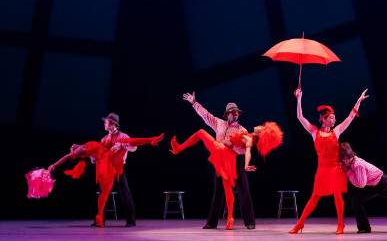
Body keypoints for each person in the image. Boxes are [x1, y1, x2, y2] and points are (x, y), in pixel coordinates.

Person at [170, 121, 283, 230]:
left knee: (201, 133)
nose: (260, 125)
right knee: (226, 187)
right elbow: (238, 146)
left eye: (262, 127)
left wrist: (245, 165)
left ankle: (179, 148)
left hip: (222, 151)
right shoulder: (248, 135)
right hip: (228, 156)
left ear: (261, 133)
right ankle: (230, 218)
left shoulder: (249, 139)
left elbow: (248, 152)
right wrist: (230, 144)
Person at [289, 88, 369, 234]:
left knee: (337, 194)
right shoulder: (314, 132)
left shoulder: (336, 131)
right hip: (322, 169)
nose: (334, 120)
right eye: (331, 118)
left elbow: (350, 117)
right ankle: (300, 223)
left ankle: (340, 224)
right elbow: (300, 116)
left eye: (334, 118)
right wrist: (299, 98)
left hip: (336, 168)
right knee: (315, 197)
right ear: (324, 119)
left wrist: (359, 101)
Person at [48, 126, 163, 227]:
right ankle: (99, 219)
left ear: (114, 125)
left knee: (123, 193)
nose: (105, 125)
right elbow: (80, 154)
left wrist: (121, 145)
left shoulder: (120, 136)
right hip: (106, 166)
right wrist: (55, 164)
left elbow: (133, 146)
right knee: (102, 194)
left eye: (107, 123)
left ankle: (130, 220)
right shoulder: (102, 140)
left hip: (117, 165)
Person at [180, 92, 256, 230]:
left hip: (236, 161)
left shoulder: (242, 130)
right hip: (221, 161)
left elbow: (245, 149)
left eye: (237, 112)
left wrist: (232, 146)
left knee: (244, 190)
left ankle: (250, 222)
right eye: (233, 112)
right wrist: (194, 102)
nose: (236, 114)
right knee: (218, 192)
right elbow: (205, 115)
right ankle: (212, 222)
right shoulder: (218, 123)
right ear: (227, 114)